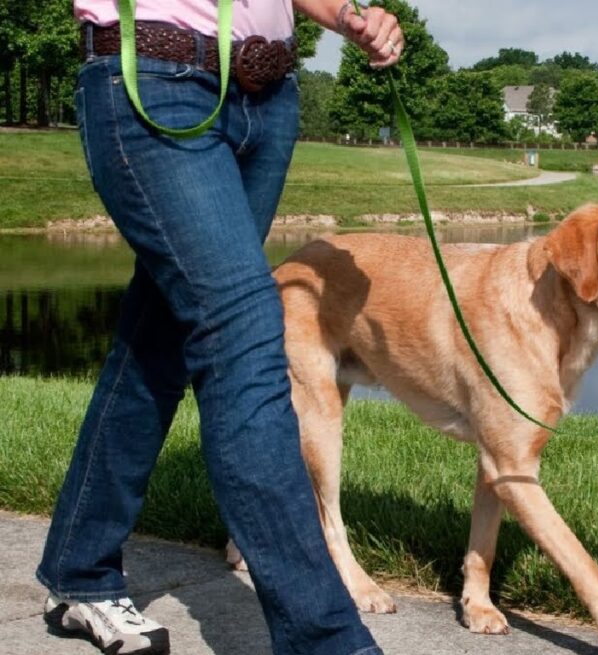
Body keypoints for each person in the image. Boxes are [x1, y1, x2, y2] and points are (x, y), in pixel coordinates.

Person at [36, 2, 403, 654]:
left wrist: (346, 15)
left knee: (159, 341)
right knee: (246, 337)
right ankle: (327, 640)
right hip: (152, 82)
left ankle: (79, 568)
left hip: (268, 97)